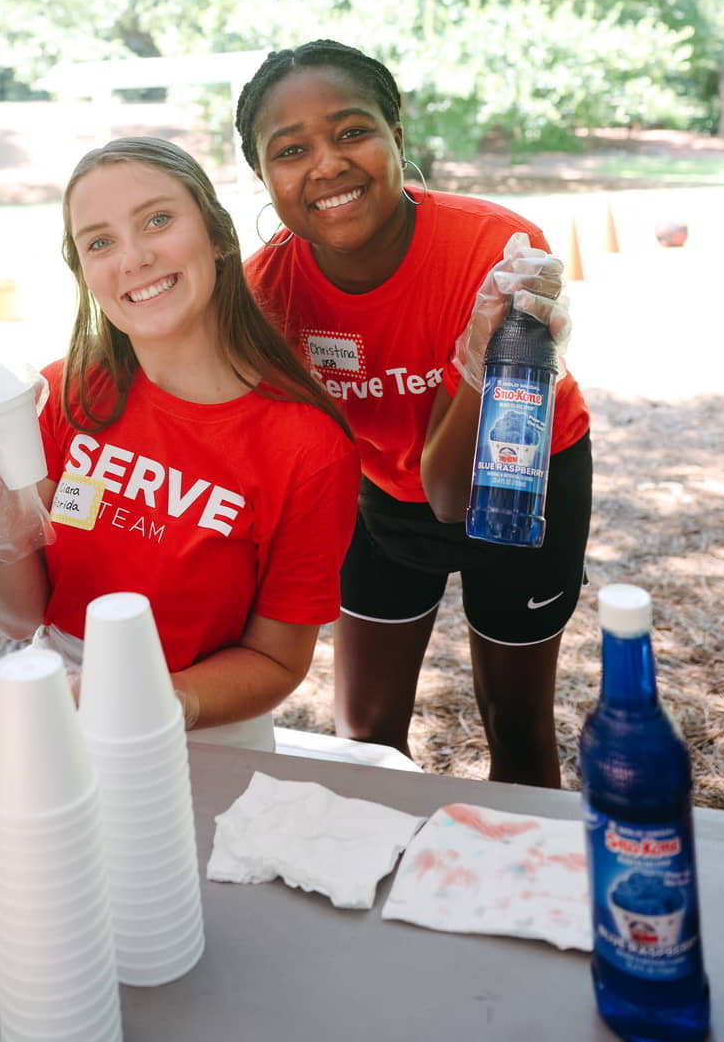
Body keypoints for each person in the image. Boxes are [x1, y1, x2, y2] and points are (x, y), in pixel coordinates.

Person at [234, 40, 590, 787]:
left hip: (520, 484)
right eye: (291, 148)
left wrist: (475, 362)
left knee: (518, 728)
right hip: (377, 490)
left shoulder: (497, 252)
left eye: (351, 130)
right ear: (262, 174)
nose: (327, 164)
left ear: (398, 135)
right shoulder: (264, 293)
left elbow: (453, 495)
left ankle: (518, 896)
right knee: (365, 741)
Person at [0, 137, 360, 747]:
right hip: (58, 710)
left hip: (204, 725)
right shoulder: (61, 395)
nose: (133, 258)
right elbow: (20, 616)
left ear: (216, 235)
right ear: (83, 271)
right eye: (99, 241)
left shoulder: (309, 448)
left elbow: (275, 663)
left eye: (157, 220)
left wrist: (149, 700)